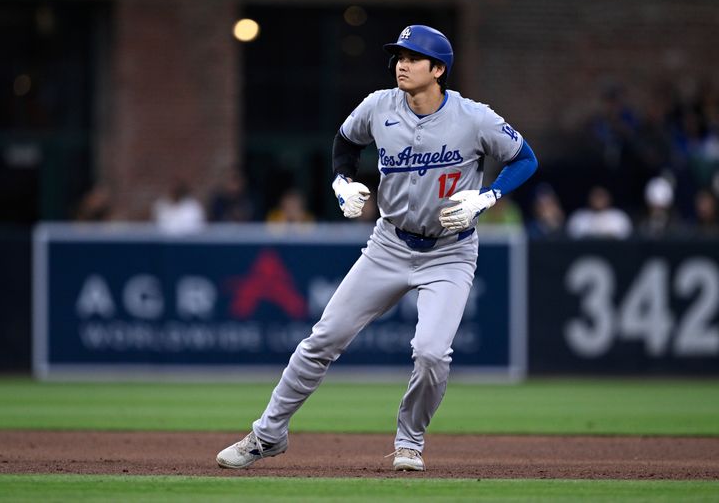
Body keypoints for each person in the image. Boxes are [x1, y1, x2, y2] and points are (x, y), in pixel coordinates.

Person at [216, 25, 538, 472]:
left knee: (430, 353)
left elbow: (525, 158)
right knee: (322, 339)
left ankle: (410, 440)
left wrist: (488, 196)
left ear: (438, 69)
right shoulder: (378, 105)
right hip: (388, 244)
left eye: (413, 57)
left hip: (450, 251)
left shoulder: (474, 116)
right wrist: (341, 181)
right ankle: (267, 435)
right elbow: (345, 142)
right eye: (399, 56)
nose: (401, 64)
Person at [566, 185, 633, 239]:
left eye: (601, 196)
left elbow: (625, 237)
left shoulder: (619, 216)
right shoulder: (579, 217)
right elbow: (573, 237)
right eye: (595, 196)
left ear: (609, 198)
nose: (598, 200)